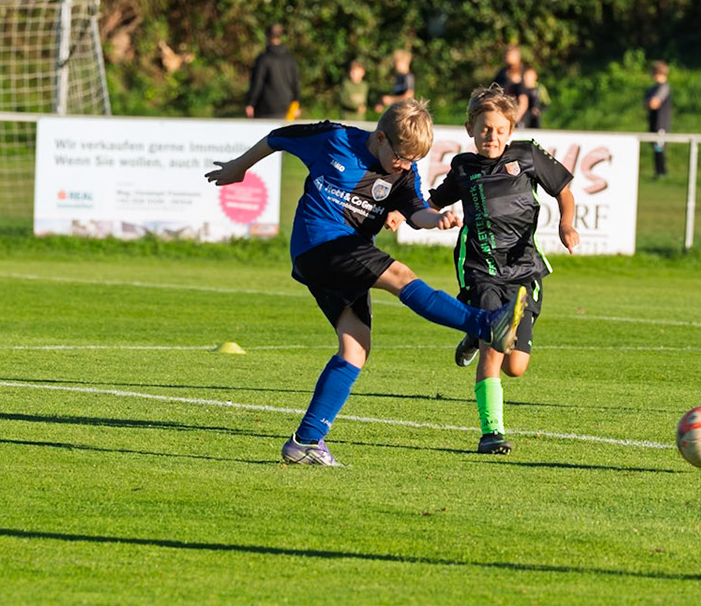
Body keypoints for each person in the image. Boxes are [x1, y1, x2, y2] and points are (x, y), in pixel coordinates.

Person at [204, 100, 528, 466]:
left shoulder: (404, 172)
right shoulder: (335, 139)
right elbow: (278, 136)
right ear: (381, 138)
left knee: (355, 347)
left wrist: (435, 220)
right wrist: (238, 167)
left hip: (346, 255)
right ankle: (485, 324)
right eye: (401, 157)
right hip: (319, 243)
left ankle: (305, 441)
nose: (404, 166)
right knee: (400, 275)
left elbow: (416, 211)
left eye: (412, 161)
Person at [429, 85, 579, 454]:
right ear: (470, 128)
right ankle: (491, 432)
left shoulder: (527, 155)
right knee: (493, 348)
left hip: (524, 270)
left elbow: (564, 190)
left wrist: (566, 224)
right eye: (484, 129)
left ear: (510, 130)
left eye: (499, 130)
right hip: (481, 269)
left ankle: (473, 332)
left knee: (517, 366)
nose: (491, 137)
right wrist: (416, 215)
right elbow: (432, 202)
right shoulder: (463, 168)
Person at [244, 24, 303, 120]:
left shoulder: (263, 59)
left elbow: (257, 83)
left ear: (268, 36)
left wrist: (250, 103)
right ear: (281, 36)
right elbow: (296, 83)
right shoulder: (290, 59)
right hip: (286, 107)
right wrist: (296, 103)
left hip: (265, 108)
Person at [490, 44, 531, 126]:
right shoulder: (502, 72)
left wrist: (516, 117)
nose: (506, 57)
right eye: (505, 54)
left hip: (518, 117)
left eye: (509, 54)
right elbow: (493, 91)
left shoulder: (522, 73)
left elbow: (523, 99)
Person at [645, 60, 672, 178]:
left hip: (661, 123)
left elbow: (654, 103)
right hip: (653, 122)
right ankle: (658, 171)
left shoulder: (664, 87)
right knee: (656, 147)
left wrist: (650, 103)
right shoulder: (653, 88)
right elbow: (646, 104)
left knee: (659, 147)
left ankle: (662, 172)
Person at [517, 63, 548, 128]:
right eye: (525, 76)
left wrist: (539, 110)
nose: (526, 78)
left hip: (535, 117)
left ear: (535, 77)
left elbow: (546, 103)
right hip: (524, 117)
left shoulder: (539, 88)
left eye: (529, 76)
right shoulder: (520, 88)